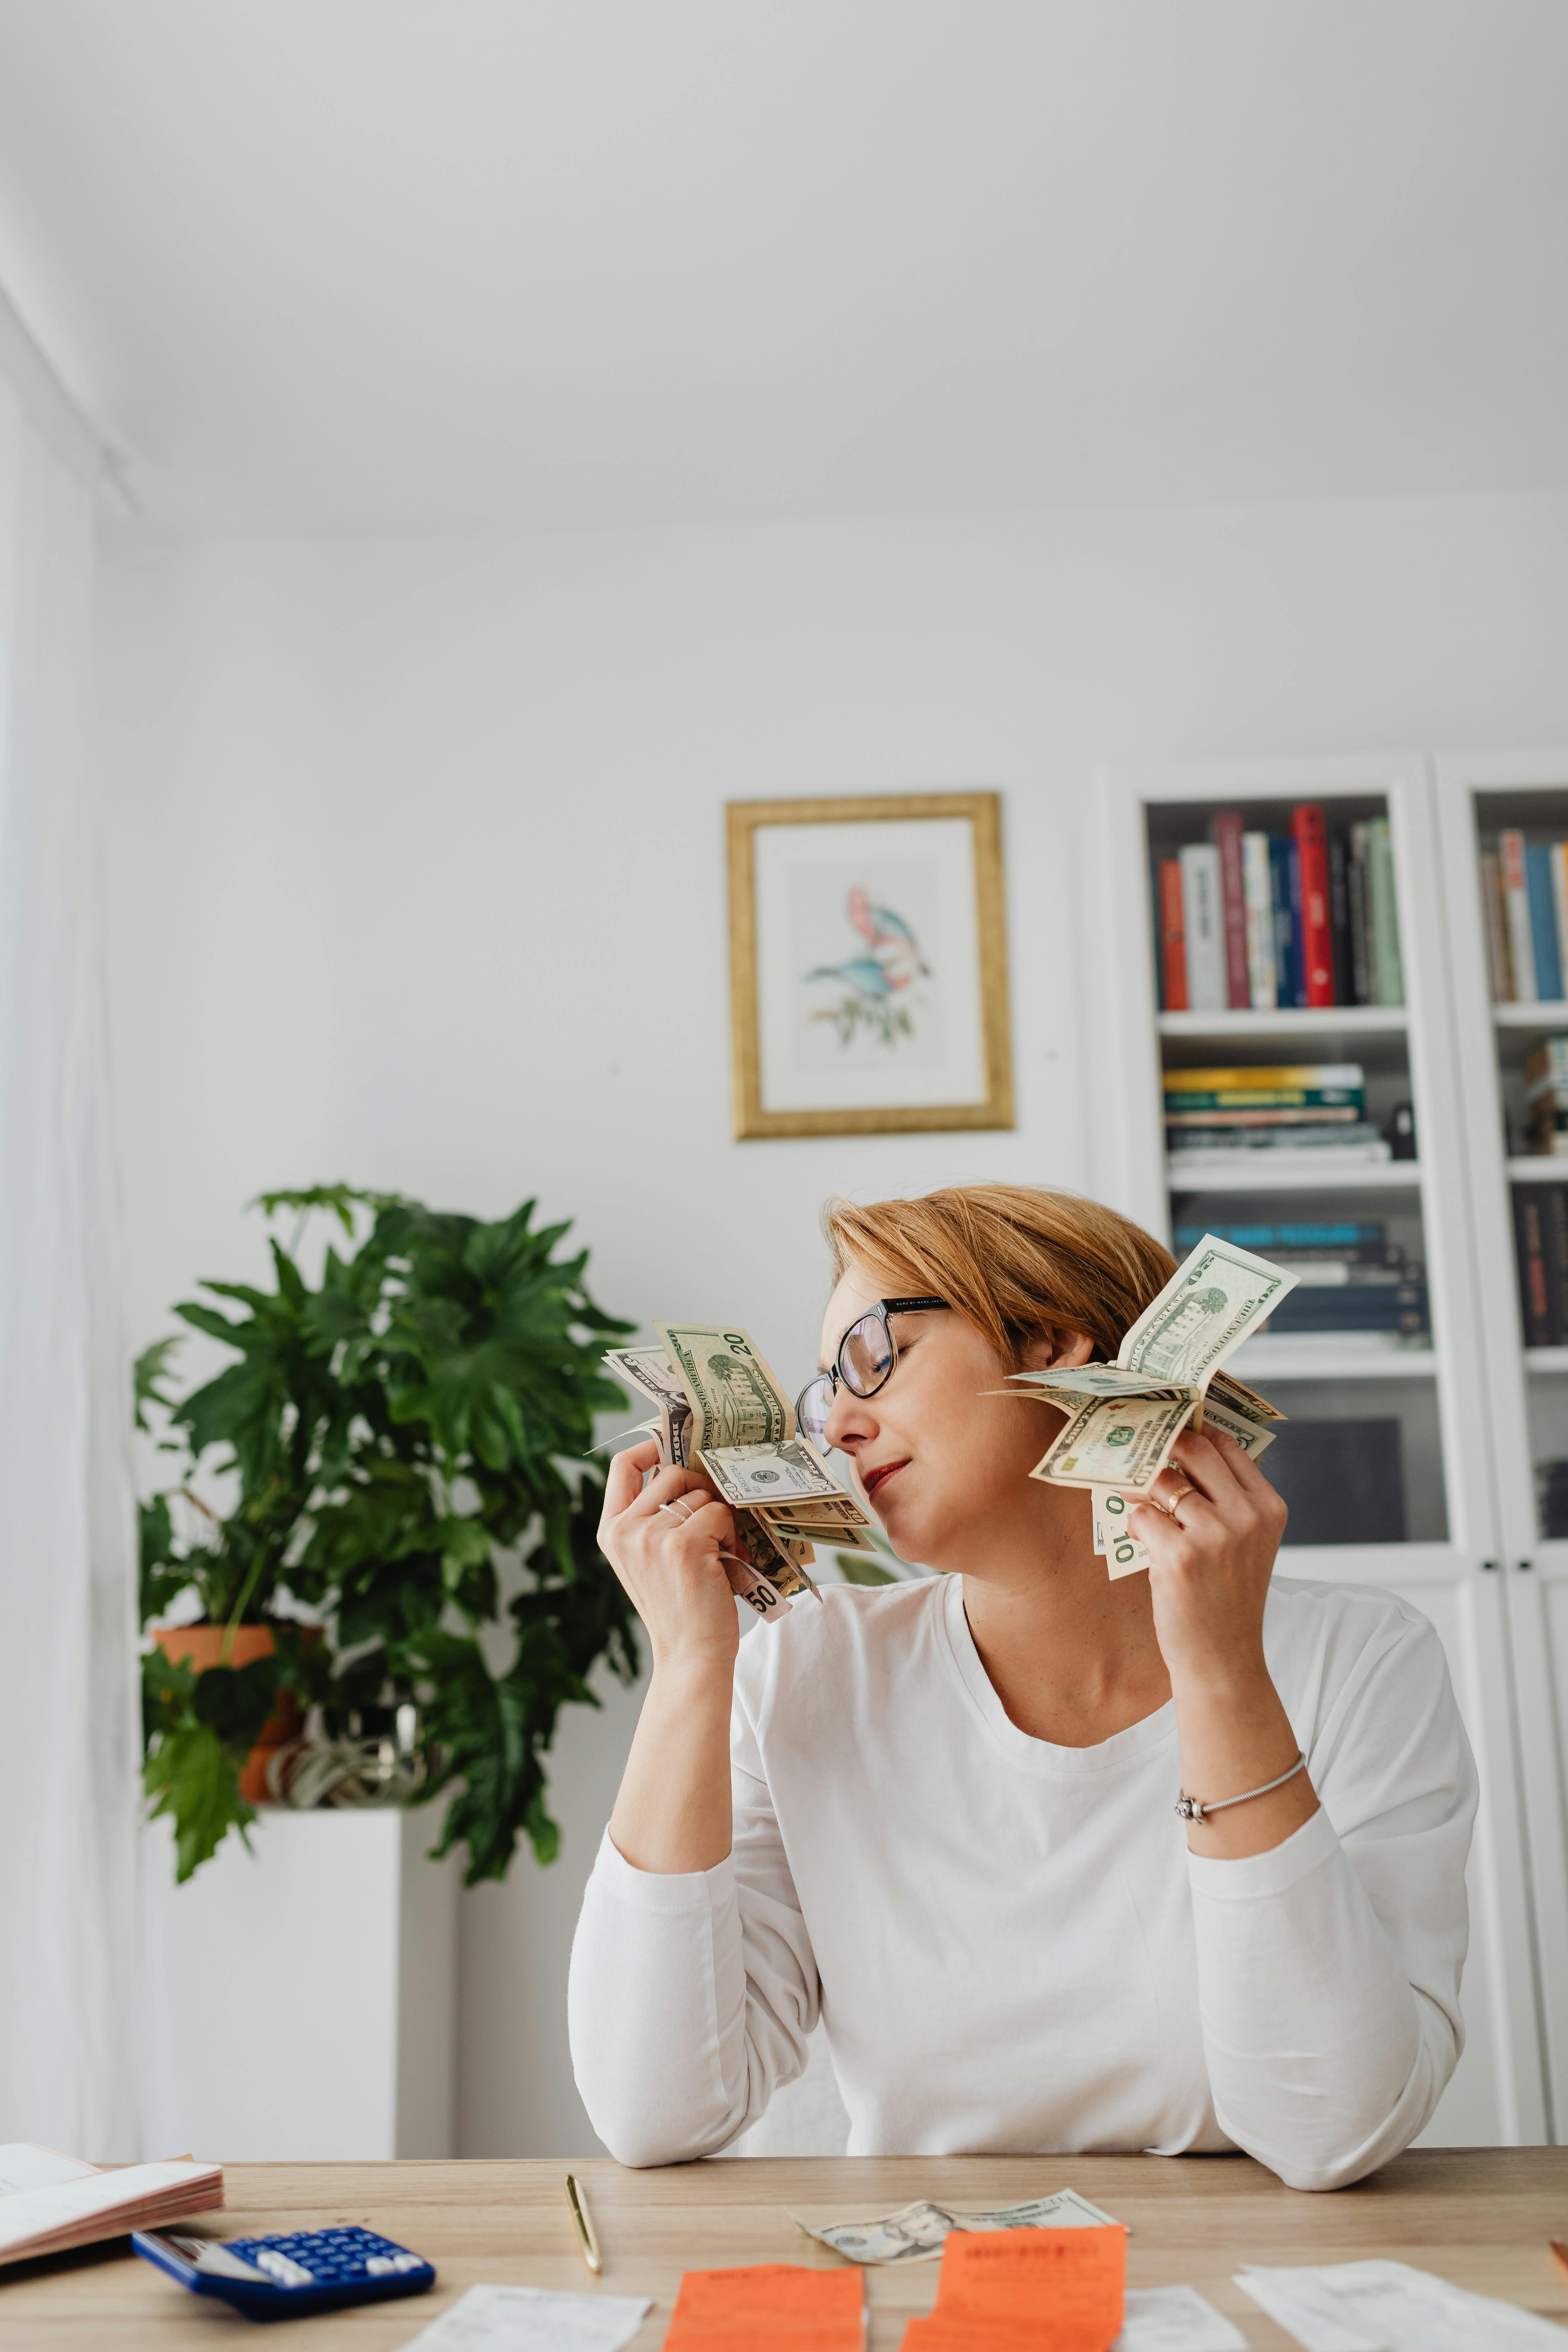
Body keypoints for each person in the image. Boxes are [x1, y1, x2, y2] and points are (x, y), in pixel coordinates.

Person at [568, 1185, 1476, 2190]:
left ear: (1049, 1342)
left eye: (872, 1357)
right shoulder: (809, 1673)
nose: (841, 1425)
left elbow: (1332, 2132)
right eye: (828, 1391)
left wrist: (1221, 1675)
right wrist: (692, 1663)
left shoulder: (1362, 1663)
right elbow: (653, 2112)